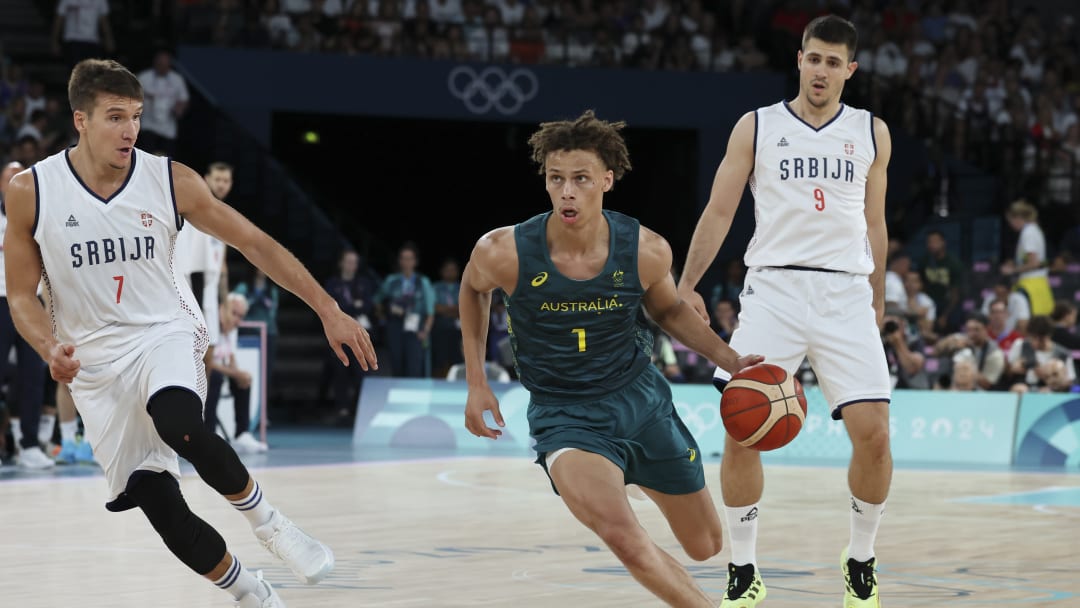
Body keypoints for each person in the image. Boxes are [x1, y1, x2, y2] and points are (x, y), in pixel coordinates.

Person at [3, 59, 377, 607]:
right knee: (160, 504)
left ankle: (272, 525)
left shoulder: (170, 180)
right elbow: (19, 295)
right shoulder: (31, 191)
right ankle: (251, 592)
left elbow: (255, 242)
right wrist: (46, 346)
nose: (130, 129)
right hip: (94, 363)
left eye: (136, 116)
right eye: (115, 117)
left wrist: (327, 308)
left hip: (163, 332)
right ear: (80, 120)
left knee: (178, 420)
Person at [460, 109, 762, 608]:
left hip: (641, 403)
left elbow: (667, 309)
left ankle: (629, 473)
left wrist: (731, 361)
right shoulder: (503, 251)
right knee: (625, 538)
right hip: (565, 416)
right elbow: (473, 292)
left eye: (580, 179)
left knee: (705, 546)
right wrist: (477, 380)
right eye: (556, 179)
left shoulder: (645, 250)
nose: (567, 192)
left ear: (607, 179)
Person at [675, 15, 892, 608]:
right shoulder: (758, 126)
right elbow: (719, 211)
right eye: (812, 58)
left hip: (846, 292)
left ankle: (861, 559)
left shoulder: (872, 131)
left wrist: (876, 297)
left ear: (850, 69)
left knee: (874, 437)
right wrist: (687, 284)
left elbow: (874, 222)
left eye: (833, 62)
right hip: (774, 290)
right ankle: (743, 571)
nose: (821, 70)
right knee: (741, 425)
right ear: (799, 59)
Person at [0, 160, 52, 469]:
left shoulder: (36, 219)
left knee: (34, 374)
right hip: (0, 302)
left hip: (32, 303)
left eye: (19, 177)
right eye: (8, 177)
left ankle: (30, 444)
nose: (14, 182)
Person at [204, 293, 268, 454]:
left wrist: (239, 374)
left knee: (243, 379)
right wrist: (235, 373)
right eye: (234, 314)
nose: (237, 320)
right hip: (199, 372)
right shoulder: (209, 324)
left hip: (216, 371)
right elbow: (207, 362)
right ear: (222, 308)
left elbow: (231, 359)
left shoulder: (231, 330)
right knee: (216, 376)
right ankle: (208, 432)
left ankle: (242, 434)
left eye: (240, 316)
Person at [1001, 199, 1054, 316]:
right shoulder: (1033, 229)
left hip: (1031, 284)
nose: (1010, 224)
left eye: (1010, 220)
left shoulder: (1028, 233)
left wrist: (1011, 270)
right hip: (1037, 281)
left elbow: (1033, 263)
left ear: (1018, 218)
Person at [136, 49, 190, 158]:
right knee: (147, 157)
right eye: (161, 64)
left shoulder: (177, 79)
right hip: (148, 125)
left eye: (166, 65)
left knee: (167, 160)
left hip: (168, 127)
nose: (163, 68)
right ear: (155, 63)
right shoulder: (144, 77)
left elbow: (184, 99)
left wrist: (180, 108)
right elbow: (132, 96)